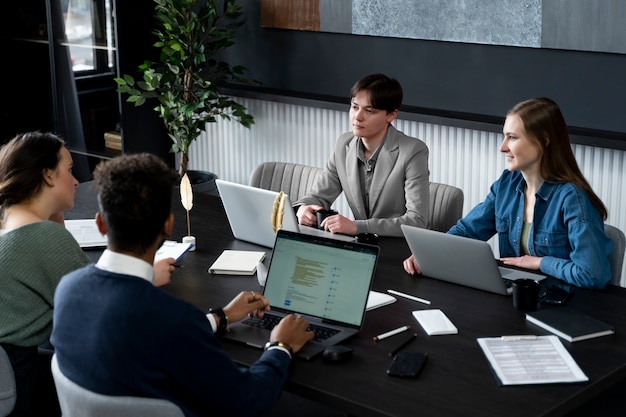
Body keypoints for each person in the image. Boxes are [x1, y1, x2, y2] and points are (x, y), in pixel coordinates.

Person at [51, 153, 314, 417]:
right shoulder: (173, 318)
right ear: (168, 224)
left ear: (100, 224)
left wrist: (219, 318)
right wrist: (280, 347)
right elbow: (247, 400)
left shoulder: (67, 289)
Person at [403, 97, 612, 289]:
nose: (503, 147)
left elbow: (592, 274)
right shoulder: (507, 184)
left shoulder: (572, 199)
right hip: (516, 297)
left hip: (562, 305)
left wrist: (540, 262)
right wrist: (430, 254)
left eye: (512, 138)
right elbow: (468, 231)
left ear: (544, 140)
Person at [0, 132, 90, 416]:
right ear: (48, 175)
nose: (76, 181)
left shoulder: (8, 230)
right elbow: (98, 305)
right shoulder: (44, 236)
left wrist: (55, 222)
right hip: (26, 386)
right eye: (70, 170)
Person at [295, 73, 430, 237]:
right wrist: (303, 208)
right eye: (354, 107)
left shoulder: (413, 151)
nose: (357, 117)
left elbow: (417, 221)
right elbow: (318, 196)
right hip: (359, 246)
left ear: (391, 115)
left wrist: (358, 227)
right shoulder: (343, 144)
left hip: (396, 250)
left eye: (369, 111)